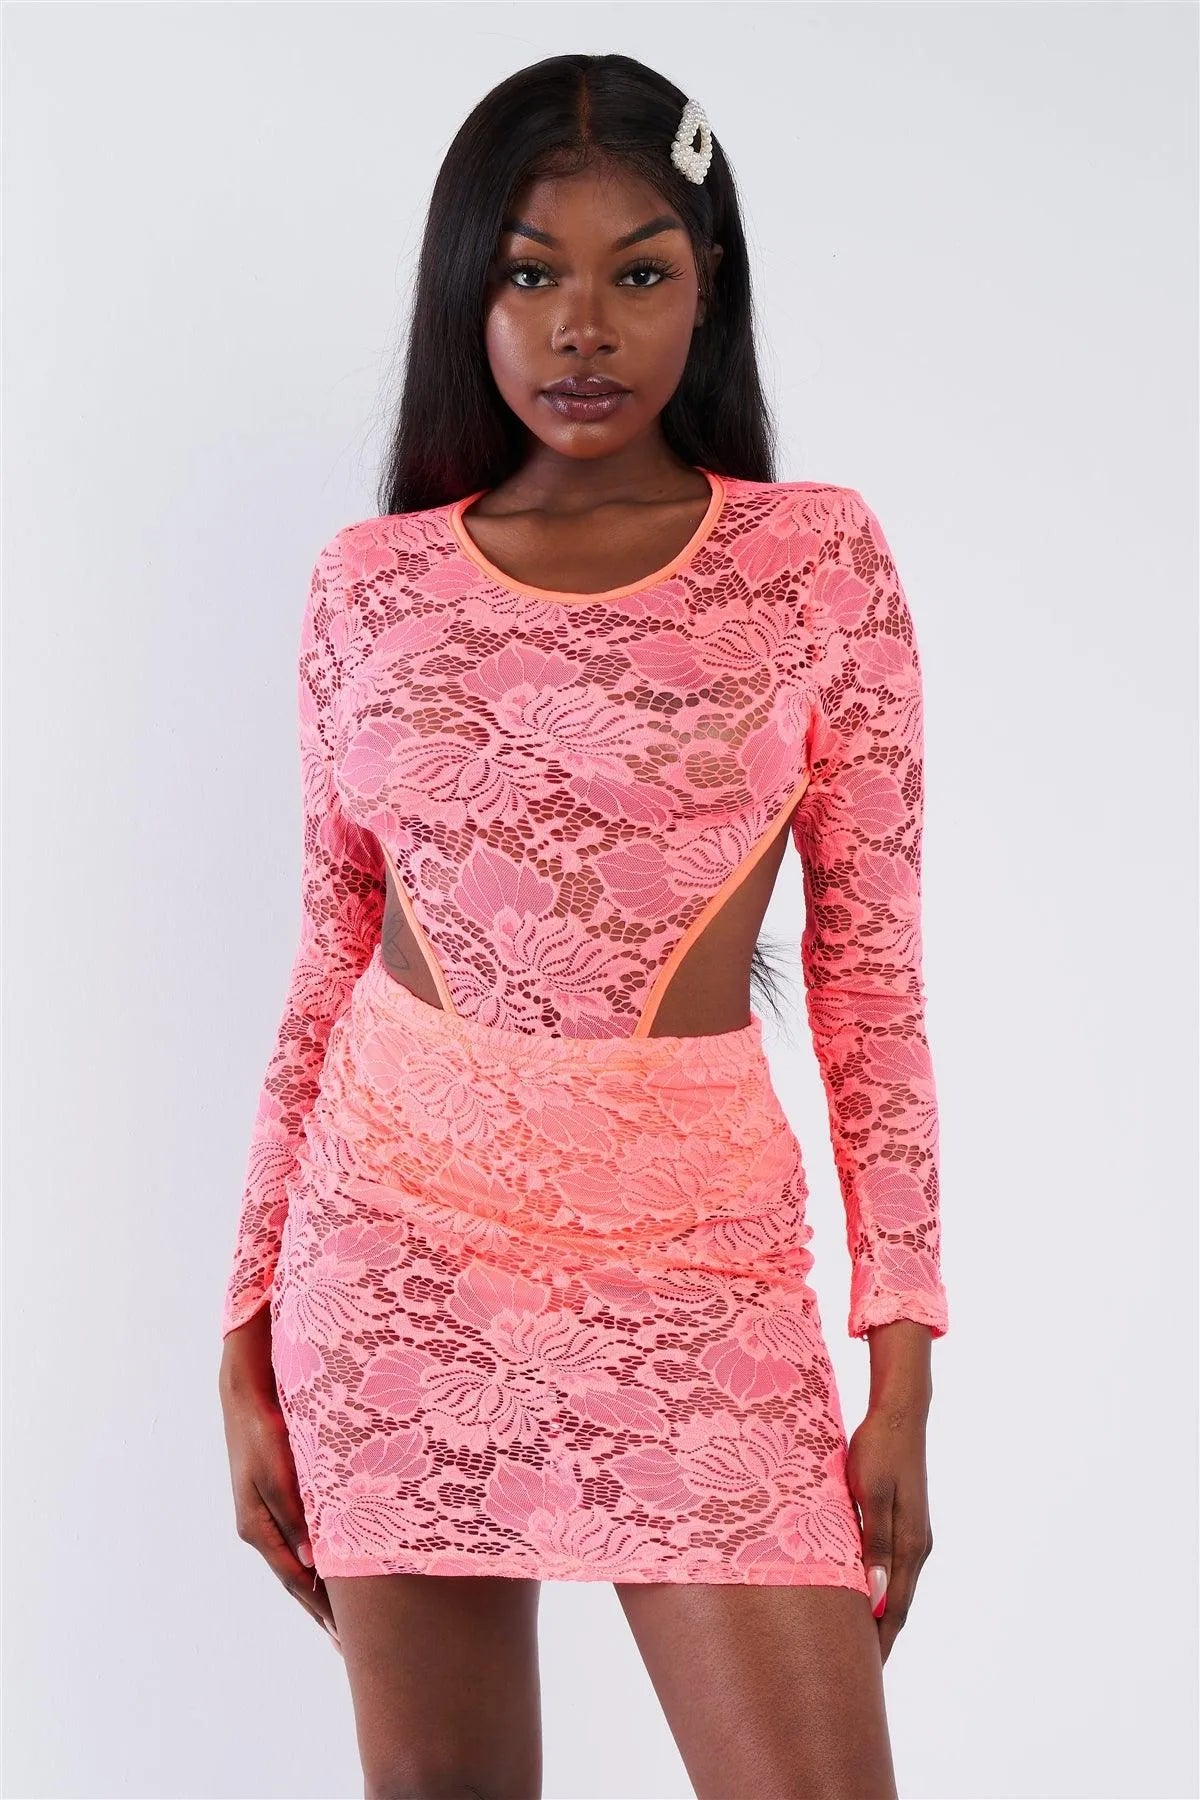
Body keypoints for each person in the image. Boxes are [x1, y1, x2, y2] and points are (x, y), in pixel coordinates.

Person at [217, 51, 949, 1800]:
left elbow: (869, 980)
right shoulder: (371, 583)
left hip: (697, 1259)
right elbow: (329, 950)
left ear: (711, 287)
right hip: (389, 1251)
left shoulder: (815, 563)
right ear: (465, 293)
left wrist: (903, 1368)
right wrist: (241, 1329)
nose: (583, 327)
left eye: (641, 271)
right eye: (531, 272)